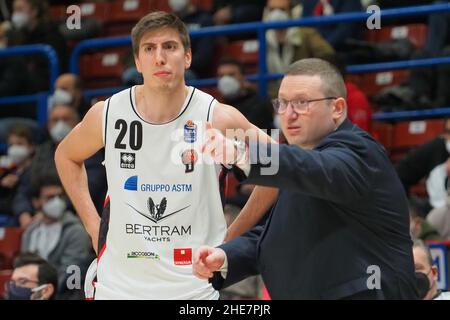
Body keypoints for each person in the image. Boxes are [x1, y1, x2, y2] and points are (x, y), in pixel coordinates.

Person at [54, 11, 271, 300]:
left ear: (188, 57)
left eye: (170, 47)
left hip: (194, 288)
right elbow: (65, 156)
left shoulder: (216, 116)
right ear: (138, 62)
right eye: (149, 49)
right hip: (117, 285)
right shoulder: (107, 113)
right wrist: (93, 227)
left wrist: (233, 237)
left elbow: (278, 166)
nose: (160, 57)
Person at [193, 58, 418, 299]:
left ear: (338, 108)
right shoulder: (305, 162)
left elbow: (313, 168)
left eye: (302, 103)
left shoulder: (359, 151)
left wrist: (241, 152)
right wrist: (226, 257)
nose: (288, 115)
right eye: (282, 103)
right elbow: (284, 233)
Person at [21, 173, 93, 300]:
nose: (57, 202)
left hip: (64, 295)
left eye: (59, 196)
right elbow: (24, 268)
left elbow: (71, 273)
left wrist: (42, 292)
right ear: (36, 202)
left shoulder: (75, 231)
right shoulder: (30, 232)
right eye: (50, 197)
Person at [217, 58, 274, 130]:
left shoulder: (259, 104)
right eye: (221, 76)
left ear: (242, 77)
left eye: (231, 75)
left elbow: (243, 133)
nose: (225, 80)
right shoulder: (218, 105)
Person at [0, 125, 35, 225]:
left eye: (19, 144)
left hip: (23, 219)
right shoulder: (4, 169)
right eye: (11, 145)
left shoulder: (35, 170)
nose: (14, 148)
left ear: (31, 147)